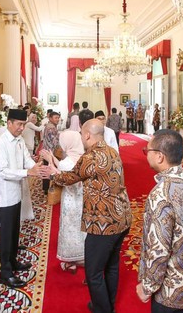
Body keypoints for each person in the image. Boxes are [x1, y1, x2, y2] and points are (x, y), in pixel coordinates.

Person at [47, 119, 132, 313]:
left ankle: (103, 309)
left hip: (103, 223)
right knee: (111, 266)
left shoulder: (91, 156)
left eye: (81, 135)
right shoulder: (112, 151)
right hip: (122, 218)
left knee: (93, 272)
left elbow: (69, 177)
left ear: (87, 135)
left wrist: (53, 173)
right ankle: (107, 303)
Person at [137, 129, 183, 313]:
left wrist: (147, 286)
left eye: (147, 150)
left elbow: (158, 247)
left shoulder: (161, 194)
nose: (146, 154)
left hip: (171, 286)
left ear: (160, 156)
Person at [0, 109, 46, 288]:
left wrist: (35, 167)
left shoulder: (20, 140)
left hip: (16, 194)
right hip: (5, 196)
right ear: (9, 123)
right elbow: (3, 171)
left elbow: (25, 160)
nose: (22, 128)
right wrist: (27, 172)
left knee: (15, 231)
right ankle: (5, 273)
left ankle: (13, 262)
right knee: (6, 236)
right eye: (19, 124)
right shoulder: (0, 143)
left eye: (23, 124)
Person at [40, 131, 86, 273]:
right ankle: (84, 256)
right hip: (83, 198)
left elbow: (61, 174)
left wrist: (51, 162)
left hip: (71, 199)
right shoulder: (84, 157)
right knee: (82, 227)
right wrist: (53, 158)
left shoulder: (68, 162)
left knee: (70, 228)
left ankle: (71, 261)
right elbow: (63, 169)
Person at [41, 111, 60, 195]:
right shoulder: (51, 128)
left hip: (47, 151)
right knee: (50, 170)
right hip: (50, 153)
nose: (58, 119)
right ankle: (49, 190)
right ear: (50, 118)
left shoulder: (49, 126)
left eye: (58, 117)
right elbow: (55, 143)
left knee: (46, 169)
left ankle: (46, 189)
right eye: (56, 118)